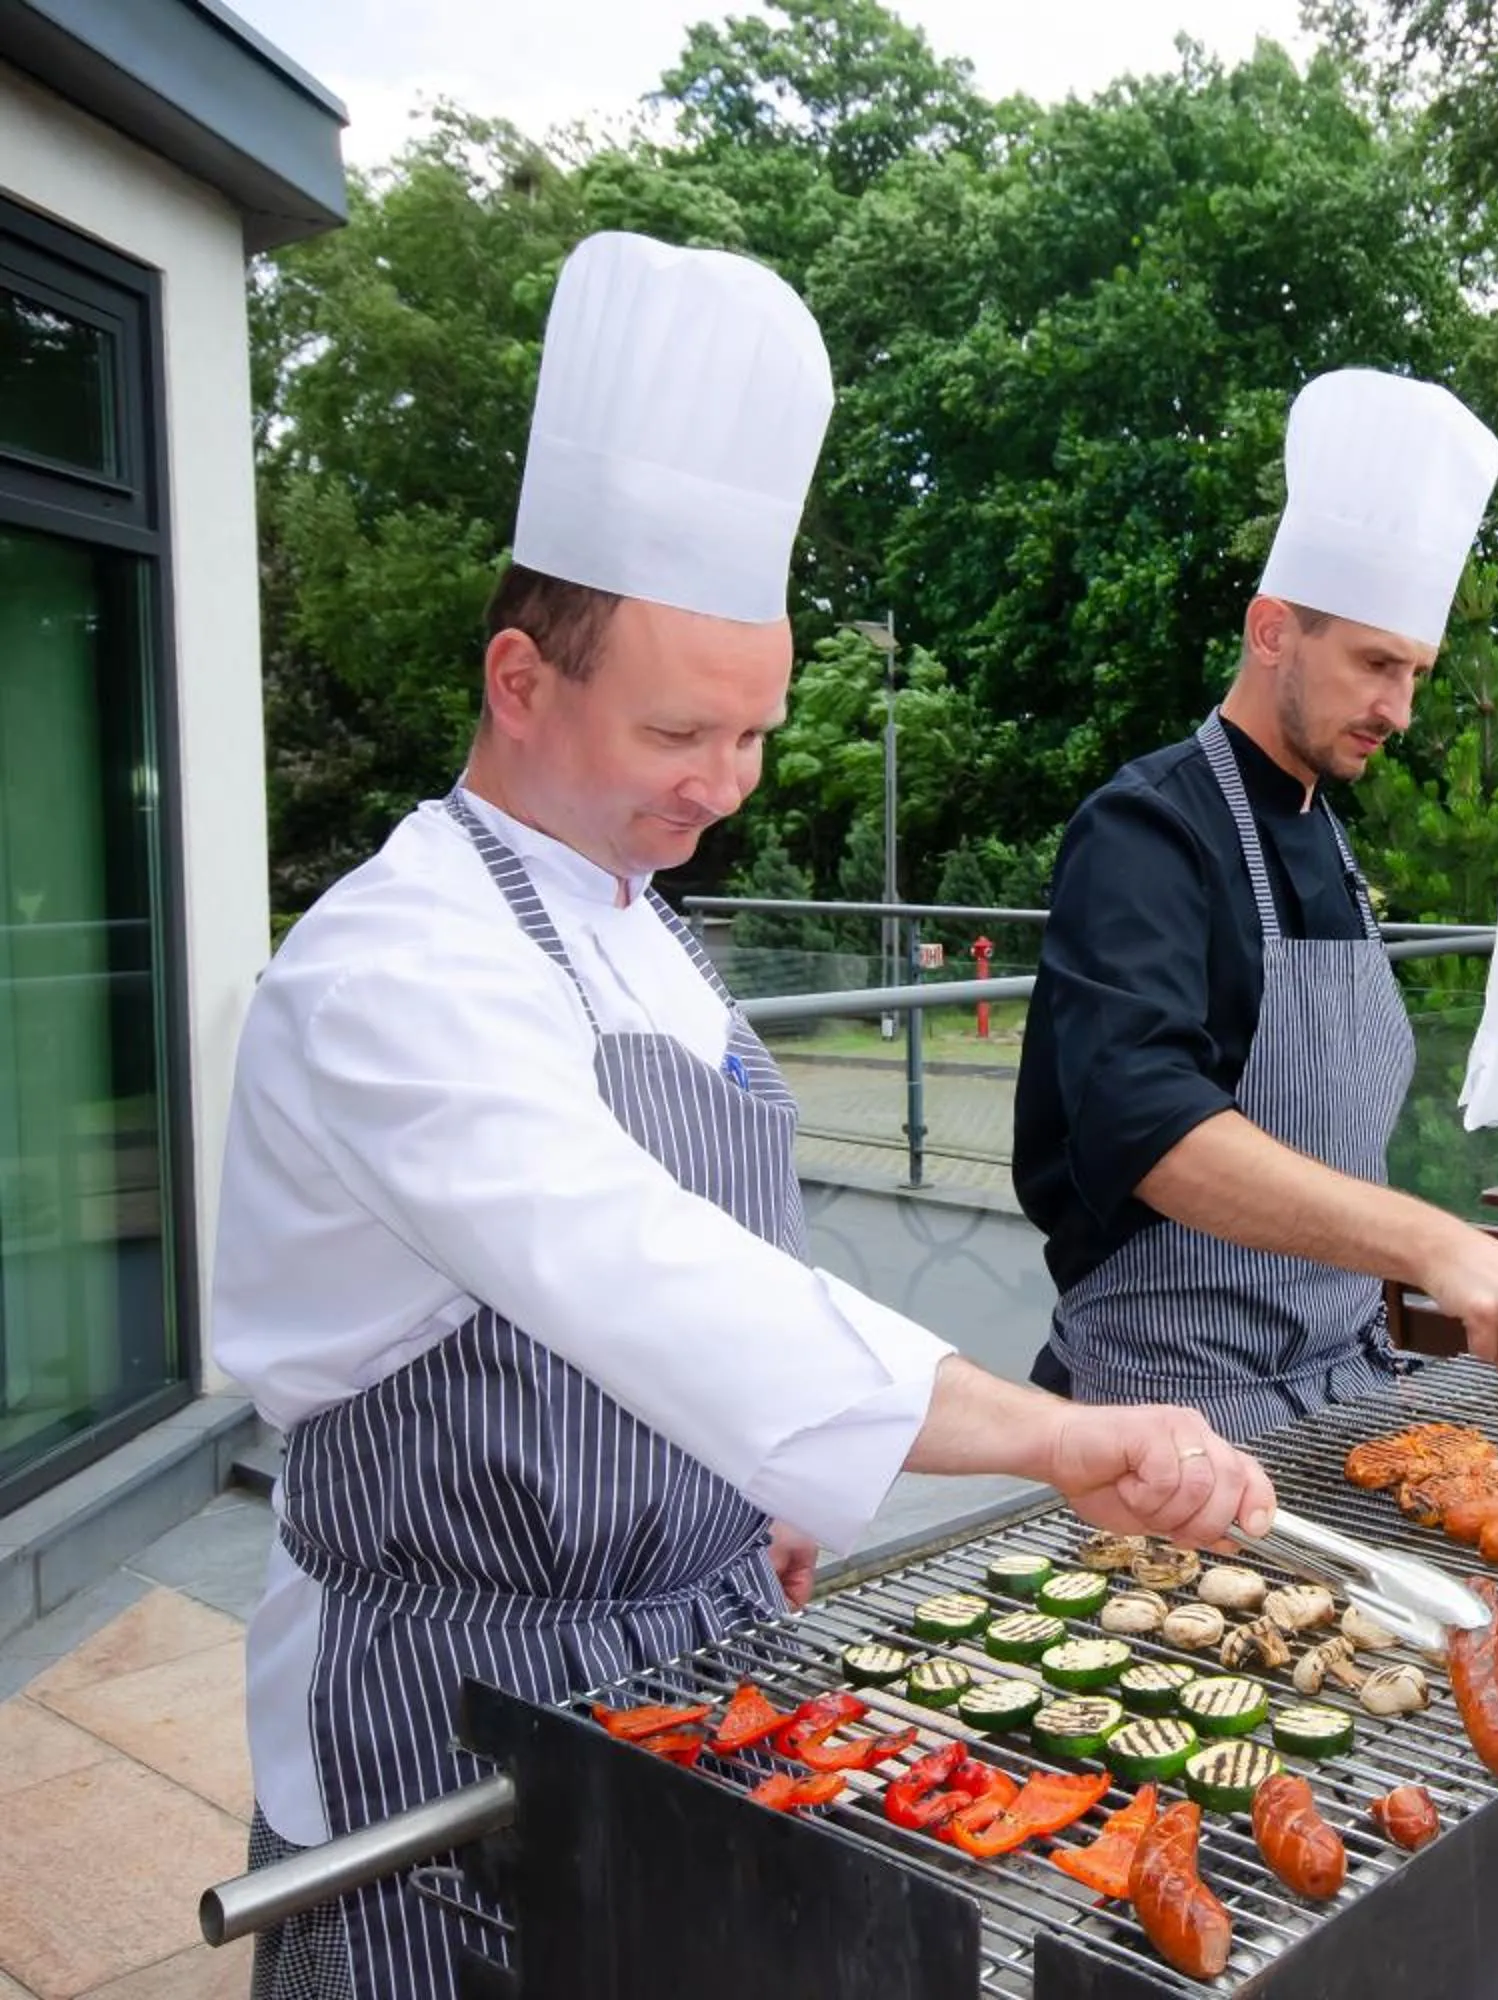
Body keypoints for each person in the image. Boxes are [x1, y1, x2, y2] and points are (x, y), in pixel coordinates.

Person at [213, 236, 1277, 2000]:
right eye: (681, 734)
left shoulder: (651, 933)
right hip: (451, 1693)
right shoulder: (391, 965)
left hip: (706, 1645)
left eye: (761, 736)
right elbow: (630, 1267)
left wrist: (756, 1486)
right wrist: (1050, 1437)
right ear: (518, 680)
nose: (723, 789)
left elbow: (738, 1267)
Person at [1015, 369, 1498, 1439]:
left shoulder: (1326, 829)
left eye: (1415, 671)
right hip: (1165, 1417)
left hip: (1346, 1388)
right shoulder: (1145, 829)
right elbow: (1145, 1125)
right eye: (1377, 663)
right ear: (1272, 627)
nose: (1402, 708)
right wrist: (1433, 1242)